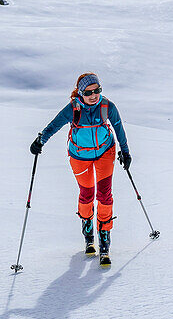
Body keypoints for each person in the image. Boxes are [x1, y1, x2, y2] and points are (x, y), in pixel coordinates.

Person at [30, 72, 131, 264]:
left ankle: (104, 239)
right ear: (80, 92)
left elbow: (118, 128)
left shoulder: (107, 106)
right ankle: (88, 234)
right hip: (79, 156)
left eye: (97, 90)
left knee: (104, 195)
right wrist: (40, 140)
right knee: (87, 194)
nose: (93, 95)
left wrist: (125, 152)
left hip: (105, 153)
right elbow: (54, 125)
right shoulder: (73, 108)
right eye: (88, 92)